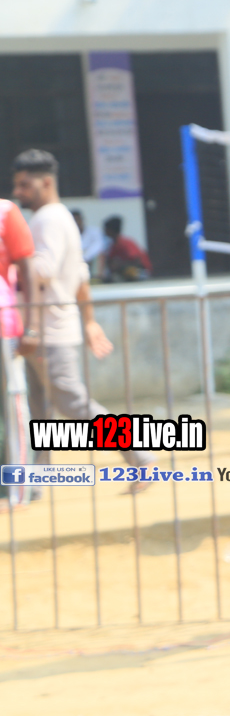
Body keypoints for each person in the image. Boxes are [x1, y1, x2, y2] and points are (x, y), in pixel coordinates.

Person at [10, 150, 155, 494]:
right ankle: (35, 483)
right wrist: (89, 321)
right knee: (39, 411)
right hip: (46, 329)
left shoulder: (48, 220)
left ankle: (139, 456)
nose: (18, 192)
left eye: (24, 185)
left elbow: (42, 270)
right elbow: (80, 275)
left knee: (71, 403)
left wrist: (9, 264)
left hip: (48, 332)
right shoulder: (59, 218)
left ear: (46, 183)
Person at [0, 197, 35, 511]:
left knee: (14, 405)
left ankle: (18, 492)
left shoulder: (6, 212)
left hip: (4, 324)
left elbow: (27, 267)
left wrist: (32, 327)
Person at [100, 215, 151, 282]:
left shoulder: (125, 243)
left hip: (141, 272)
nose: (104, 231)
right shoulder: (113, 245)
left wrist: (120, 264)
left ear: (111, 230)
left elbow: (137, 261)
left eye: (106, 229)